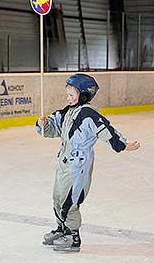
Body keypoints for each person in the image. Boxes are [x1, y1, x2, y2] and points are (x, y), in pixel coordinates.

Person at [36, 73, 140, 252]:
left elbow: (106, 129)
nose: (68, 98)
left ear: (84, 95)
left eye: (71, 95)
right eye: (67, 94)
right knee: (58, 198)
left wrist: (122, 144)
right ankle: (62, 229)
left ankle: (73, 236)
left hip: (78, 165)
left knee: (70, 201)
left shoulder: (89, 114)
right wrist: (44, 124)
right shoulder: (67, 112)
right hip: (63, 161)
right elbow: (54, 126)